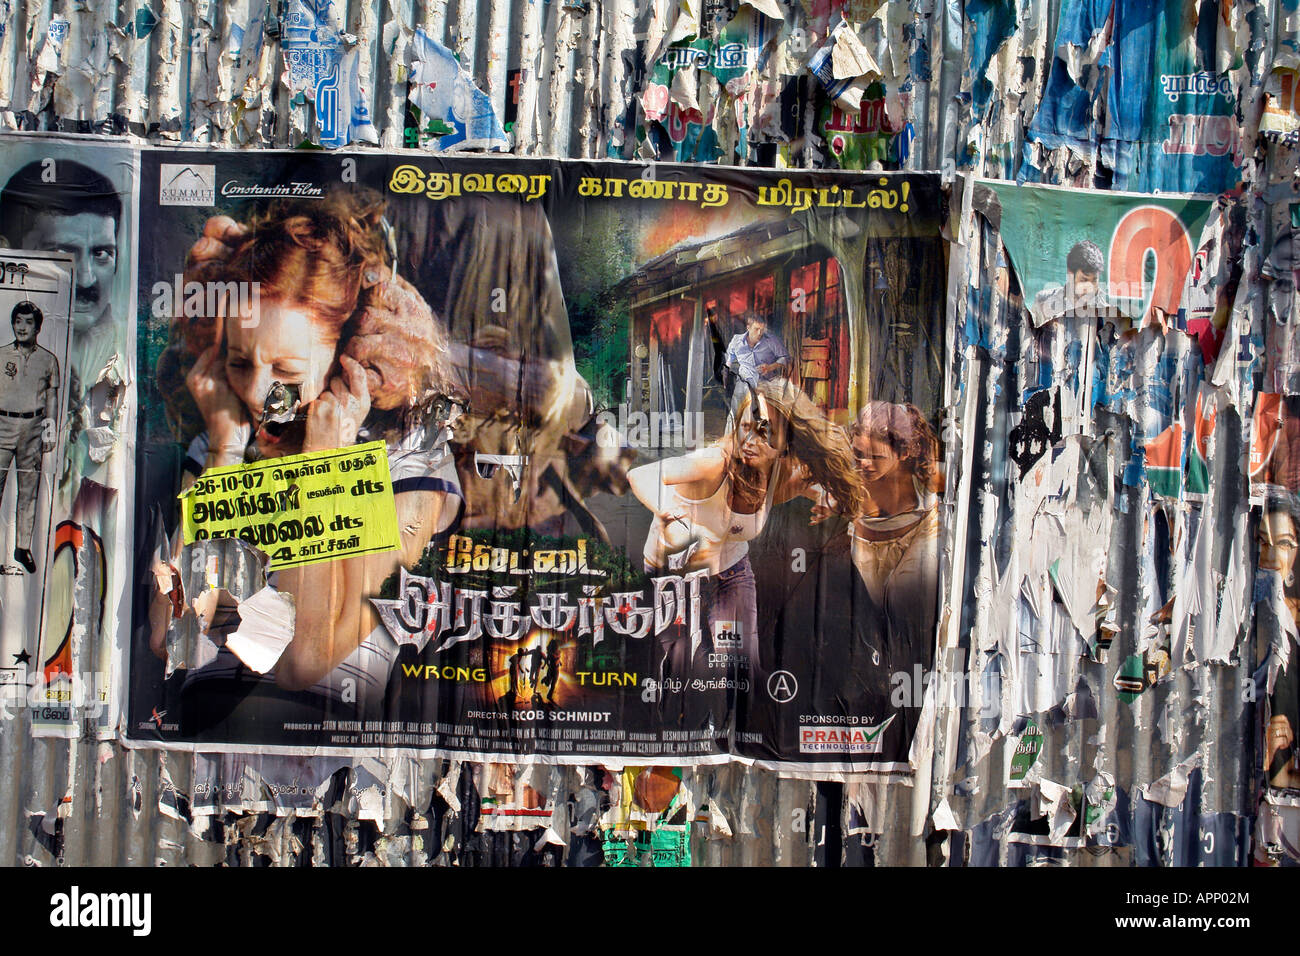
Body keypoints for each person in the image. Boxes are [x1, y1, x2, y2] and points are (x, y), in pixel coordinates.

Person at [151, 190, 464, 727]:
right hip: (202, 761)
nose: (255, 394)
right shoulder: (222, 445)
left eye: (287, 374)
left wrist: (323, 463)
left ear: (349, 360)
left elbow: (302, 660)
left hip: (333, 779)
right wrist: (225, 451)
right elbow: (169, 635)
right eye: (239, 362)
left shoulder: (411, 464)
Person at [628, 378, 863, 685]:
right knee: (690, 674)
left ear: (785, 446)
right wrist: (666, 508)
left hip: (731, 575)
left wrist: (828, 500)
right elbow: (641, 475)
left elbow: (825, 487)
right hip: (677, 579)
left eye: (765, 433)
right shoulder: (715, 462)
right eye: (746, 426)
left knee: (741, 673)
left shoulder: (779, 474)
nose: (750, 439)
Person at [848, 401, 941, 673]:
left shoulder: (927, 493)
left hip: (915, 541)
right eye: (858, 454)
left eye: (875, 457)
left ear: (902, 454)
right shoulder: (851, 487)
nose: (864, 464)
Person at [0, 302, 58, 573]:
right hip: (2, 423)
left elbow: (52, 396)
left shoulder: (48, 360)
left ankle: (22, 547)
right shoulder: (1, 356)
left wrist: (50, 429)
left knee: (28, 490)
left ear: (37, 327)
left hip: (32, 428)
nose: (21, 327)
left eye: (27, 323)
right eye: (18, 322)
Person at [724, 313, 791, 388]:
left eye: (762, 330)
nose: (759, 333)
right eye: (756, 329)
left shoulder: (771, 341)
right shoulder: (736, 341)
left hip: (767, 385)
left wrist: (770, 367)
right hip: (744, 385)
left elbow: (786, 358)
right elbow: (728, 361)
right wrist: (725, 378)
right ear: (748, 327)